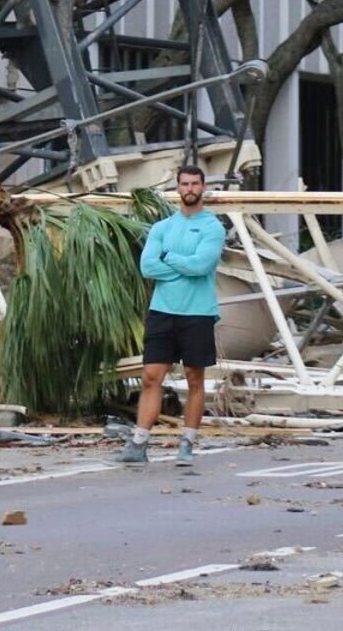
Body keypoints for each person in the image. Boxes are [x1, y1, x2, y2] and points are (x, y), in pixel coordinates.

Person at [120, 164, 224, 468]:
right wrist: (181, 264)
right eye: (184, 184)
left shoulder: (212, 227)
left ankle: (187, 442)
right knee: (151, 377)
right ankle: (139, 442)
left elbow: (200, 267)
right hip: (162, 311)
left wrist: (169, 257)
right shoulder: (162, 228)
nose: (189, 189)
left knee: (194, 378)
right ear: (177, 188)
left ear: (202, 188)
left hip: (198, 313)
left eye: (195, 184)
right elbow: (147, 267)